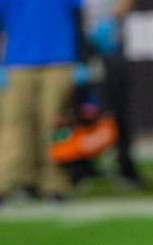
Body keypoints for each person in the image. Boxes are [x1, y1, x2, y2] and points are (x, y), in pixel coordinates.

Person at [0, 0, 84, 203]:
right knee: (15, 125)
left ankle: (55, 184)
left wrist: (81, 58)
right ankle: (14, 181)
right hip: (17, 61)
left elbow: (78, 17)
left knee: (54, 125)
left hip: (59, 59)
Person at [84, 0, 143, 188]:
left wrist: (110, 19)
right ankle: (80, 166)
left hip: (110, 45)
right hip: (77, 45)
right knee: (82, 110)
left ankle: (125, 167)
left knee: (118, 110)